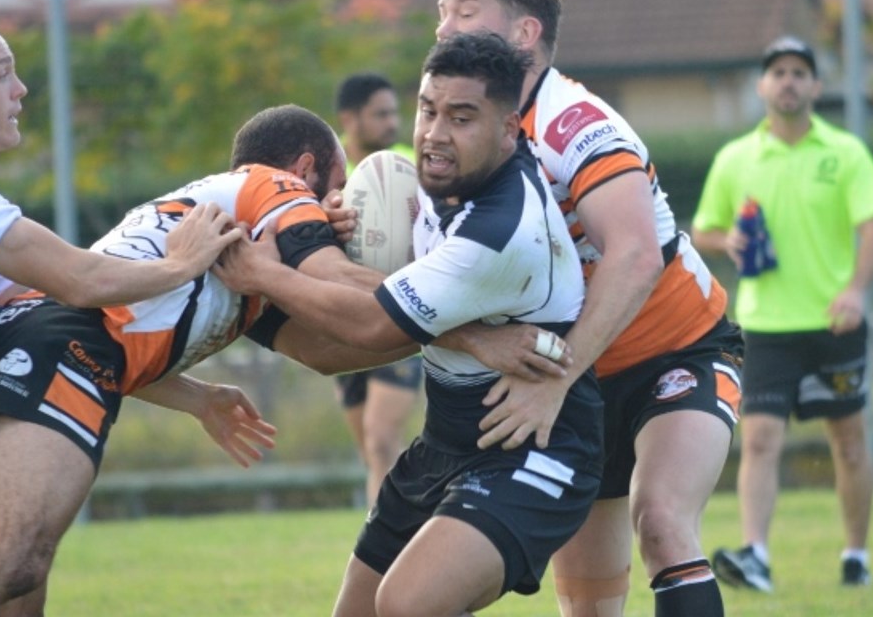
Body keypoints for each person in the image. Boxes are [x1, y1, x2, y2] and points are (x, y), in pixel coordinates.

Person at [0, 104, 391, 617]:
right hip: (59, 346)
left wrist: (199, 398)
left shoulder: (236, 244)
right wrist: (444, 298)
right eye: (338, 182)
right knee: (14, 560)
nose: (338, 201)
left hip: (3, 340)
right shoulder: (273, 187)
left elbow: (321, 349)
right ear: (304, 169)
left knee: (10, 600)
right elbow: (334, 275)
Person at [0, 14, 240, 617]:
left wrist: (193, 397)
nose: (21, 90)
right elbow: (83, 279)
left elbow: (71, 308)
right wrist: (180, 265)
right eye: (3, 74)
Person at [214, 32, 605, 617]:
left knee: (405, 605)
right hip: (444, 444)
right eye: (428, 110)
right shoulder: (424, 182)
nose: (435, 133)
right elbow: (327, 352)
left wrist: (263, 275)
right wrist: (330, 230)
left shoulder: (499, 231)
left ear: (509, 129)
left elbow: (371, 325)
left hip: (530, 449)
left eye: (462, 117)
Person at [434, 0, 743, 617]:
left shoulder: (575, 121)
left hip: (677, 349)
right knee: (588, 600)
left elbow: (636, 257)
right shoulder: (465, 133)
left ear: (524, 34)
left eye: (464, 11)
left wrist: (553, 377)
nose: (443, 28)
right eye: (441, 13)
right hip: (581, 382)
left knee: (661, 522)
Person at [691, 35, 873, 591]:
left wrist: (856, 290)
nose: (788, 81)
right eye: (778, 71)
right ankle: (755, 554)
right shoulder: (735, 158)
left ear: (815, 86)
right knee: (758, 440)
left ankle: (856, 555)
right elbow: (701, 229)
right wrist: (726, 238)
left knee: (849, 442)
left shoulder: (845, 152)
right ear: (762, 86)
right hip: (765, 325)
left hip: (835, 322)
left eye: (798, 72)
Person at [333, 72, 423, 507]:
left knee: (382, 439)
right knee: (373, 452)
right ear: (350, 118)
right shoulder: (328, 170)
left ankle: (386, 551)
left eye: (394, 113)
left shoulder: (412, 163)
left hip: (398, 317)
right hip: (340, 323)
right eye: (380, 114)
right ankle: (403, 531)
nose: (393, 123)